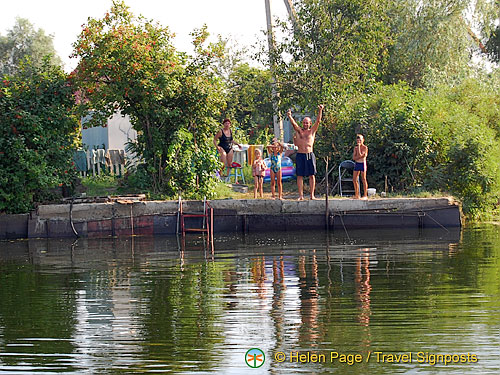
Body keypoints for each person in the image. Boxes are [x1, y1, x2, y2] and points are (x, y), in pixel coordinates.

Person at [286, 105, 324, 200]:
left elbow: (318, 121)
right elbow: (294, 125)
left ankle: (312, 195)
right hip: (300, 155)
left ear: (310, 123)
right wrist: (290, 116)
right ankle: (301, 195)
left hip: (309, 154)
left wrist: (320, 110)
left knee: (311, 175)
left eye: (307, 123)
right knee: (300, 175)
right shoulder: (299, 132)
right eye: (304, 123)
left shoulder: (312, 131)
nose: (305, 124)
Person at [352, 134, 368, 199]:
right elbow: (354, 157)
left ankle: (365, 195)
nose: (359, 142)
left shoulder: (365, 148)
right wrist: (358, 157)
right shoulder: (355, 148)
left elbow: (362, 155)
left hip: (362, 164)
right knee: (354, 179)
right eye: (358, 140)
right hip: (357, 164)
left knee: (363, 179)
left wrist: (359, 148)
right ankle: (357, 194)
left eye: (360, 140)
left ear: (363, 140)